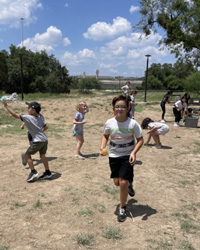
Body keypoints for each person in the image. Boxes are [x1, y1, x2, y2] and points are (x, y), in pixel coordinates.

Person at [100, 95, 143, 222]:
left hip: (127, 155)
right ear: (113, 108)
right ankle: (129, 184)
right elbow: (105, 136)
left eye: (122, 106)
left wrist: (134, 152)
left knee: (122, 183)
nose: (120, 109)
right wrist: (102, 146)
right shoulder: (109, 122)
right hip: (113, 155)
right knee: (117, 183)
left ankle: (122, 207)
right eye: (117, 106)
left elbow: (140, 140)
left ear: (128, 108)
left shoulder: (133, 123)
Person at [2, 101, 52, 182]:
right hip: (44, 140)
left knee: (27, 155)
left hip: (38, 141)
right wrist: (39, 132)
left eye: (29, 108)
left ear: (34, 110)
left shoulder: (28, 117)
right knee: (42, 156)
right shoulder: (40, 117)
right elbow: (45, 127)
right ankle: (48, 172)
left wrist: (6, 107)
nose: (28, 109)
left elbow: (14, 115)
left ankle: (33, 172)